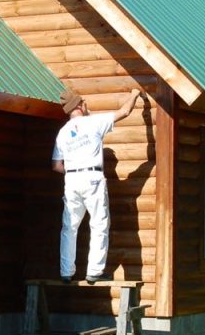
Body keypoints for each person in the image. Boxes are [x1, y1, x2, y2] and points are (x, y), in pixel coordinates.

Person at [52, 87, 142, 284]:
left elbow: (57, 166)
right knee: (99, 224)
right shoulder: (93, 122)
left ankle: (66, 272)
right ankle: (94, 271)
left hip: (72, 180)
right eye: (84, 102)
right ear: (79, 105)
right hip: (92, 177)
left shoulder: (62, 133)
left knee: (69, 227)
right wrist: (134, 94)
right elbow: (124, 112)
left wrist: (74, 169)